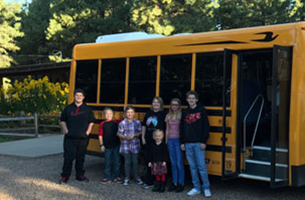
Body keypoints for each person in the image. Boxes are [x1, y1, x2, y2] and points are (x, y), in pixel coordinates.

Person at [59, 88, 95, 184]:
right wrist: (66, 131)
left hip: (83, 138)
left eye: (80, 95)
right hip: (70, 137)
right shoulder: (68, 108)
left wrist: (87, 132)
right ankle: (65, 176)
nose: (78, 97)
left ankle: (80, 175)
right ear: (74, 96)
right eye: (77, 95)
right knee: (68, 157)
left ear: (83, 97)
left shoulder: (87, 109)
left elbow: (91, 122)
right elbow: (62, 120)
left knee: (80, 157)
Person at [180, 91, 211, 198]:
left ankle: (206, 187)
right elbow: (182, 128)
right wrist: (182, 142)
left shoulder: (201, 111)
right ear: (187, 100)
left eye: (193, 98)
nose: (191, 100)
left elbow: (206, 127)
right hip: (188, 143)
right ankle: (196, 187)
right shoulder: (185, 112)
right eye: (189, 98)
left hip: (198, 143)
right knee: (192, 167)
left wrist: (204, 141)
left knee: (201, 167)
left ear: (197, 99)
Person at [142, 97, 166, 189]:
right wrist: (143, 137)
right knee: (149, 160)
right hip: (149, 140)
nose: (156, 104)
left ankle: (160, 182)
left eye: (158, 102)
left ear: (161, 104)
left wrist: (164, 139)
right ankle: (149, 181)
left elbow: (166, 127)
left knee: (159, 162)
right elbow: (144, 125)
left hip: (159, 141)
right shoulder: (148, 113)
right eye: (154, 102)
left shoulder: (163, 114)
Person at [117, 106, 143, 186]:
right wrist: (125, 137)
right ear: (125, 113)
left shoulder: (137, 122)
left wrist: (134, 135)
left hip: (135, 144)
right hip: (126, 145)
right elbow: (119, 133)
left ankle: (137, 177)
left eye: (131, 112)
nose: (130, 114)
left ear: (134, 113)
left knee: (135, 162)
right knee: (127, 162)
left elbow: (140, 132)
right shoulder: (122, 123)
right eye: (128, 112)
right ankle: (127, 178)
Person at [165, 98, 185, 192]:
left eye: (176, 105)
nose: (174, 106)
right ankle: (174, 182)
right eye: (172, 105)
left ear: (179, 106)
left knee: (179, 163)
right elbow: (167, 129)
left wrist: (183, 141)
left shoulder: (181, 115)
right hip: (170, 140)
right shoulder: (168, 115)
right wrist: (166, 141)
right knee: (173, 163)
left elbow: (183, 129)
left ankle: (181, 183)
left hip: (178, 140)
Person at [98, 107, 122, 184]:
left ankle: (117, 176)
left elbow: (125, 121)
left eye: (110, 114)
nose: (108, 115)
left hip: (116, 145)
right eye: (106, 114)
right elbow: (100, 135)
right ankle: (106, 177)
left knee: (117, 162)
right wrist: (101, 145)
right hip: (107, 146)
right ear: (104, 115)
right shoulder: (102, 124)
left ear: (113, 114)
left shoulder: (116, 122)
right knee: (107, 162)